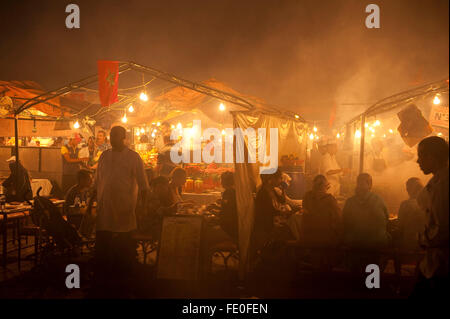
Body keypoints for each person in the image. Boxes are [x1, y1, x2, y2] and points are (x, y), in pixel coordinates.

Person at [93, 126, 149, 297]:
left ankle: (123, 283)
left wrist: (143, 208)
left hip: (125, 210)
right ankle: (103, 282)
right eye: (111, 136)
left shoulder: (133, 157)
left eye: (116, 136)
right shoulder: (104, 156)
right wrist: (91, 205)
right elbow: (97, 182)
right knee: (103, 246)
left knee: (124, 248)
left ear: (123, 137)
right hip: (105, 210)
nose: (113, 139)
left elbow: (144, 186)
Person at [412, 136, 449, 298]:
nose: (417, 161)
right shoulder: (436, 182)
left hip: (441, 265)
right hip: (433, 263)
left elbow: (442, 229)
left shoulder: (443, 186)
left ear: (432, 158)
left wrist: (423, 239)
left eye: (421, 155)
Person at [342, 173, 390, 249]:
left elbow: (344, 222)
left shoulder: (350, 202)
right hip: (376, 245)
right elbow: (387, 218)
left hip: (355, 245)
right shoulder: (378, 200)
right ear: (370, 185)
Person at [301, 175, 341, 247]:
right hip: (325, 238)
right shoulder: (330, 199)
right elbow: (338, 218)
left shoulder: (307, 196)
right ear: (325, 187)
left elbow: (304, 217)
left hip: (309, 238)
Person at [397, 177, 426, 251]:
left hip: (410, 243)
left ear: (409, 190)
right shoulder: (430, 202)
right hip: (427, 243)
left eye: (408, 189)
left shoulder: (405, 204)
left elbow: (400, 225)